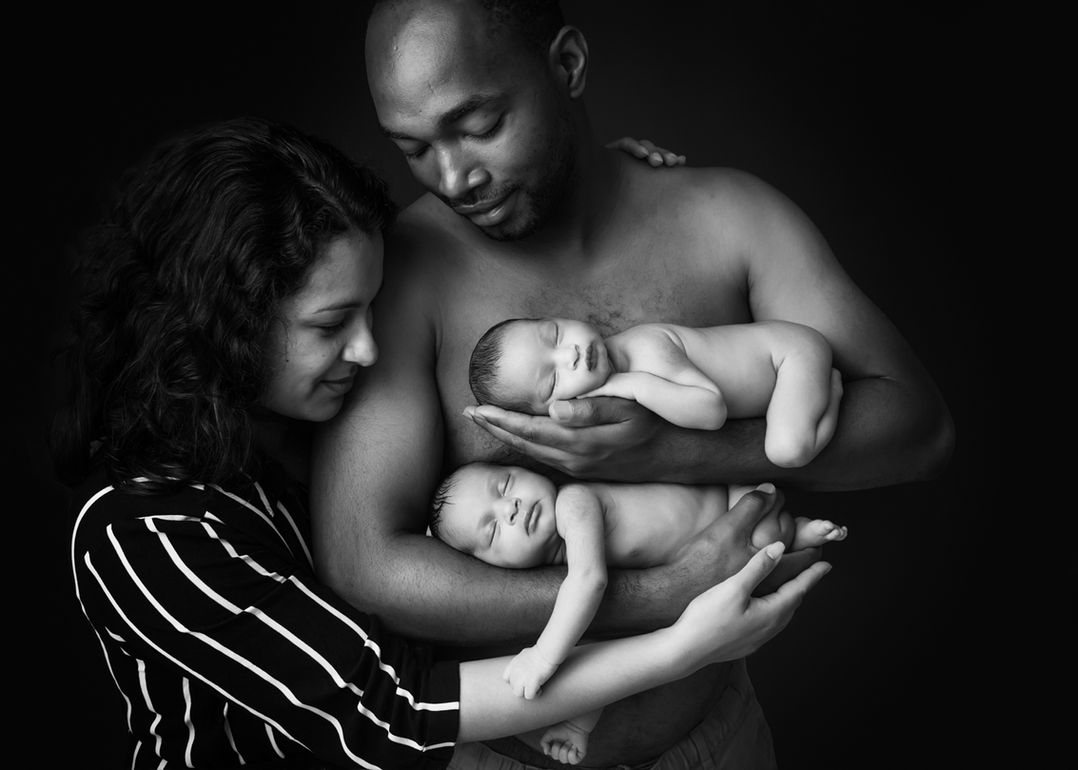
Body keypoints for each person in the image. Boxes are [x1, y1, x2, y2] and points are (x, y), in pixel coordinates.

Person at [52, 116, 830, 769]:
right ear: (225, 323)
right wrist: (679, 632)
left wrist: (599, 182)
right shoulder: (143, 534)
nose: (365, 351)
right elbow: (389, 713)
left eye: (369, 312)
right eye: (331, 325)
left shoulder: (280, 432)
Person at [311, 1, 955, 768]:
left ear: (568, 66)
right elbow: (362, 564)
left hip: (715, 745)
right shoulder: (405, 271)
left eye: (479, 124)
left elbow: (921, 429)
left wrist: (679, 452)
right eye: (414, 148)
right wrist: (666, 591)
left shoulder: (725, 220)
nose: (454, 176)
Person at [429, 461, 848, 765]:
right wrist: (579, 723)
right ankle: (799, 531)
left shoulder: (574, 503)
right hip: (740, 546)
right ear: (489, 566)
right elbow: (609, 646)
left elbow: (589, 582)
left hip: (735, 505)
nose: (512, 508)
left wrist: (542, 656)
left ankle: (797, 531)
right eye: (493, 529)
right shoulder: (562, 564)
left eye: (505, 485)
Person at [468, 316, 843, 468]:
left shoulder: (644, 350)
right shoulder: (610, 384)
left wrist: (633, 385)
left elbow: (711, 411)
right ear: (556, 407)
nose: (570, 353)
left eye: (554, 334)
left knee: (786, 451)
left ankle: (833, 390)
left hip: (790, 356)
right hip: (780, 374)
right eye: (553, 380)